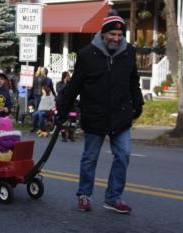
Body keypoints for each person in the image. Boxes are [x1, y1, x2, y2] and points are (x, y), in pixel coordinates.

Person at [56, 15, 144, 214]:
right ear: (103, 33)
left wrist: (138, 102)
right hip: (95, 115)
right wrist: (62, 110)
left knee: (123, 155)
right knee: (90, 157)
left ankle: (113, 198)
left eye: (120, 34)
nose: (116, 38)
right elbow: (75, 86)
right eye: (112, 34)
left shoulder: (128, 52)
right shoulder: (87, 54)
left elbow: (133, 81)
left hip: (120, 115)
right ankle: (84, 195)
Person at [56, 71, 75, 142]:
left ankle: (71, 135)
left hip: (70, 104)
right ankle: (64, 135)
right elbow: (59, 91)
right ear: (63, 77)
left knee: (73, 119)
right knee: (62, 120)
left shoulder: (71, 84)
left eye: (69, 76)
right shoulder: (59, 84)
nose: (68, 77)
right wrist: (65, 84)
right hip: (61, 104)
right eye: (67, 76)